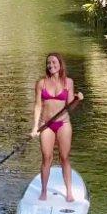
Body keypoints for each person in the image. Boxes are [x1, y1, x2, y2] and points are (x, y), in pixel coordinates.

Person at [30, 52, 85, 202]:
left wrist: (77, 100)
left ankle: (69, 192)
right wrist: (35, 127)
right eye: (49, 63)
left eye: (54, 62)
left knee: (64, 157)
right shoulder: (41, 83)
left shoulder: (69, 82)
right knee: (46, 158)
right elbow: (37, 106)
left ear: (60, 65)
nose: (51, 65)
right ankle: (43, 192)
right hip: (46, 125)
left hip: (63, 123)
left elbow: (69, 107)